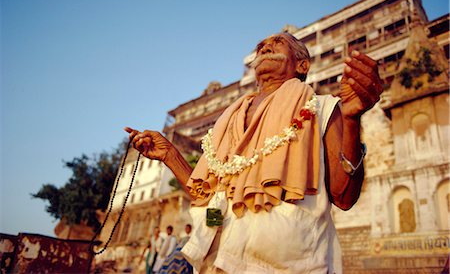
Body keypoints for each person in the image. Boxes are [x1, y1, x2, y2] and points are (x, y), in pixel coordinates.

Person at [125, 32, 382, 273]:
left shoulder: (321, 108)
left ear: (302, 65)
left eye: (278, 43)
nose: (265, 47)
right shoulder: (228, 120)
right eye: (260, 46)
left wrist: (351, 120)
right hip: (215, 262)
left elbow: (345, 197)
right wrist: (170, 155)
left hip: (287, 265)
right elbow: (206, 195)